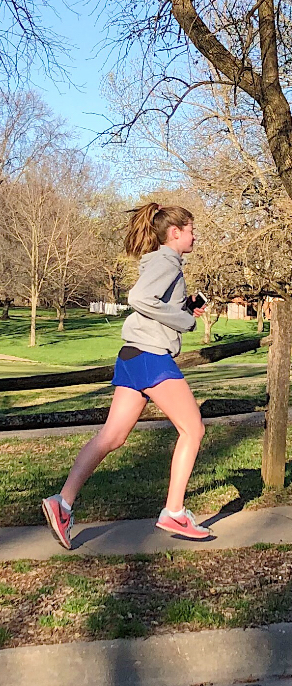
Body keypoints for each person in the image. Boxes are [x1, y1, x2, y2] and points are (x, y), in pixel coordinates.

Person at [42, 203, 211, 549]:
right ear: (174, 232)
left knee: (112, 436)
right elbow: (139, 298)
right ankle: (174, 512)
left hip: (131, 356)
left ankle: (62, 503)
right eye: (191, 229)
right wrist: (186, 321)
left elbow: (155, 303)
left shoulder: (159, 262)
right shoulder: (166, 260)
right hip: (150, 356)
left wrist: (184, 305)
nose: (195, 235)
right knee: (193, 429)